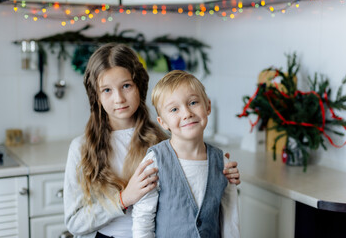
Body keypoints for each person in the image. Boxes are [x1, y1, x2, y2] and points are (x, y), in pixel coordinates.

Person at [64, 43, 240, 238]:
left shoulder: (162, 142)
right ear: (95, 96)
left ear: (140, 85)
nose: (119, 98)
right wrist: (123, 199)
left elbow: (196, 190)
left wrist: (217, 170)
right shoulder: (81, 148)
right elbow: (74, 223)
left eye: (126, 86)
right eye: (107, 90)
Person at [132, 70, 240, 238]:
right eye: (174, 109)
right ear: (163, 122)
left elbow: (230, 219)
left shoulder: (223, 163)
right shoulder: (155, 162)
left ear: (208, 106)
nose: (187, 113)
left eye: (193, 102)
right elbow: (143, 219)